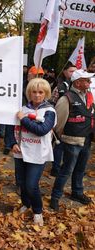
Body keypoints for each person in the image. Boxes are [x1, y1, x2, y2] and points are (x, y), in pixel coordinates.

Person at [7, 78, 56, 226]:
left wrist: (24, 119)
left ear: (46, 93)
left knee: (31, 185)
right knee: (21, 183)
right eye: (34, 92)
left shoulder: (49, 111)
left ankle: (37, 211)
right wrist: (12, 143)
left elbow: (41, 130)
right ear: (29, 93)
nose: (37, 95)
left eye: (40, 92)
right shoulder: (22, 109)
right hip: (21, 151)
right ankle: (25, 204)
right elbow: (10, 128)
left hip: (38, 153)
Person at [50, 69, 95, 211]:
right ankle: (55, 197)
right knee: (66, 170)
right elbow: (59, 123)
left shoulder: (89, 95)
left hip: (86, 139)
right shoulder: (66, 98)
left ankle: (77, 192)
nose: (90, 82)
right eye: (86, 80)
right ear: (77, 82)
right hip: (72, 140)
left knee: (80, 170)